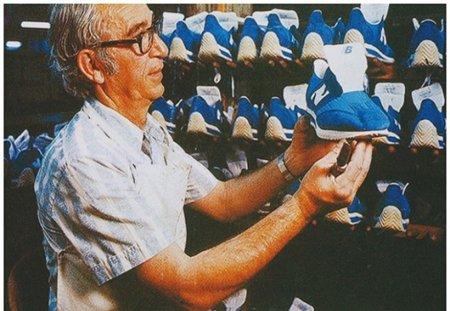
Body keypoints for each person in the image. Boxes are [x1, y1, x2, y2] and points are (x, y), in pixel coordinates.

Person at [35, 4, 373, 310]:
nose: (162, 49)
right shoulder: (83, 161)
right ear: (93, 65)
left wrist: (293, 161)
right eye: (139, 39)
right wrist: (304, 206)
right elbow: (188, 289)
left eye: (153, 31)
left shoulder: (149, 130)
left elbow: (223, 201)